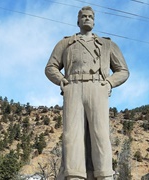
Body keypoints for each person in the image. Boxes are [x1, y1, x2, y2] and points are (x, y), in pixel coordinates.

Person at [45, 6, 129, 180]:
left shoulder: (107, 45)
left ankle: (104, 174)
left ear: (94, 20)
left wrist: (109, 83)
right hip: (73, 87)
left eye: (90, 16)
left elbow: (123, 70)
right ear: (78, 21)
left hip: (97, 87)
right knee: (72, 134)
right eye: (83, 16)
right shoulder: (65, 43)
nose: (87, 18)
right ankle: (74, 174)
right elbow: (50, 67)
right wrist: (62, 80)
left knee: (100, 133)